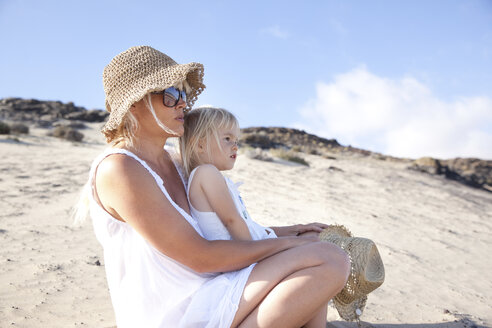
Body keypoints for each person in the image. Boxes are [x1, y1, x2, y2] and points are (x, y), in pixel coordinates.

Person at [79, 45, 350, 328]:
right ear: (134, 103)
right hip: (176, 314)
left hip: (213, 291)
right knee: (329, 260)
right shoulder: (120, 169)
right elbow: (201, 256)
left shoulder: (177, 163)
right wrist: (287, 245)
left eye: (183, 94)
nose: (183, 103)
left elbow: (217, 228)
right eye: (170, 95)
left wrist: (290, 231)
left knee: (318, 267)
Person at [180, 106, 279, 241]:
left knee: (311, 236)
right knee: (315, 250)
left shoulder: (210, 175)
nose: (235, 146)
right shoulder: (207, 172)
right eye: (227, 138)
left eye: (236, 141)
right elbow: (232, 221)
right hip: (246, 256)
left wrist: (294, 229)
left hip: (251, 248)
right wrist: (258, 252)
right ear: (200, 145)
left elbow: (250, 227)